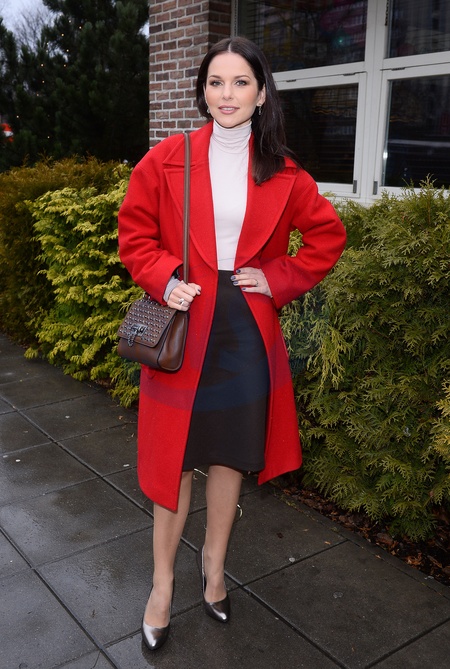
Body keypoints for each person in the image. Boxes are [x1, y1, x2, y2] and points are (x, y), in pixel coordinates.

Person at [118, 36, 346, 651]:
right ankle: (162, 586)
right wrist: (165, 278)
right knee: (174, 461)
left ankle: (213, 569)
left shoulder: (285, 172)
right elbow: (134, 233)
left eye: (240, 82)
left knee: (228, 456)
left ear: (262, 92)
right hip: (185, 327)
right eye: (215, 82)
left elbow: (327, 237)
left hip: (245, 332)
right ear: (202, 91)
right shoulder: (167, 158)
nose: (227, 94)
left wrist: (277, 277)